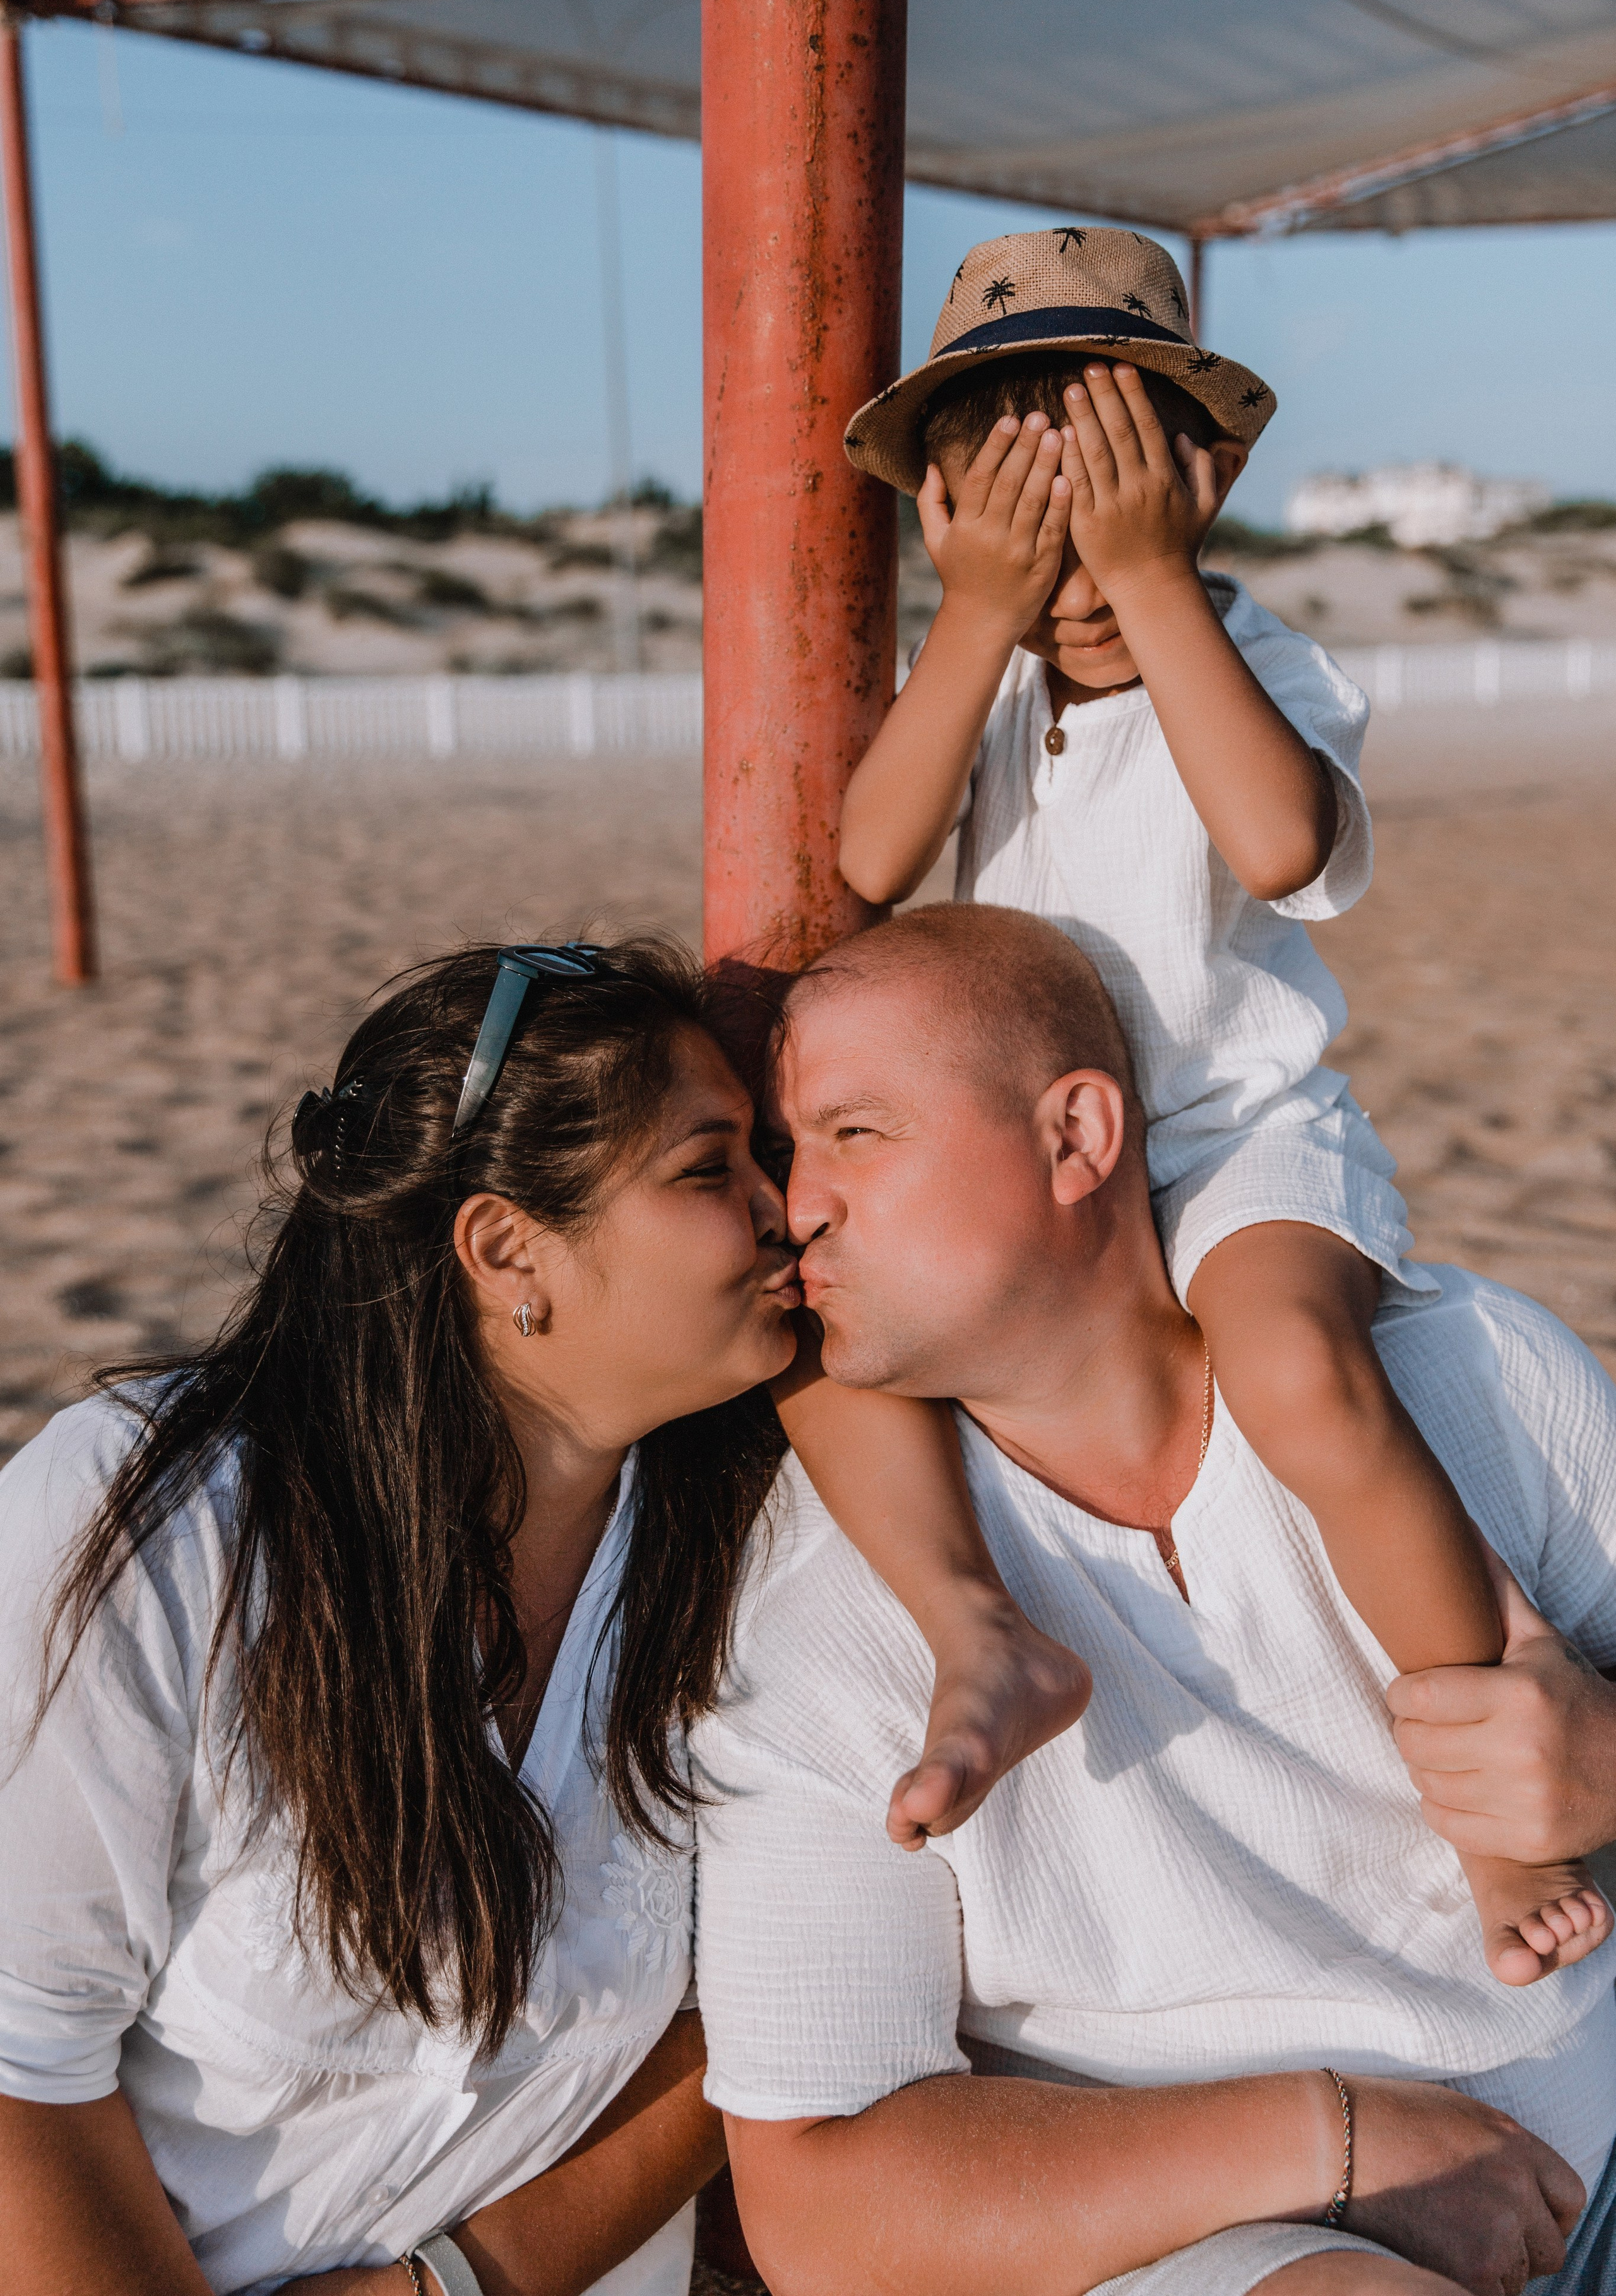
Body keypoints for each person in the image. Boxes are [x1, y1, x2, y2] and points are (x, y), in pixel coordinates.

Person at [763, 223, 1607, 1984]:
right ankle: (971, 1626)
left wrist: (1152, 582)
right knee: (817, 1349)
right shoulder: (977, 684)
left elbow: (1285, 842)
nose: (1069, 550)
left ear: (1199, 479)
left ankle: (1482, 1784)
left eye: (1114, 490)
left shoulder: (1255, 657)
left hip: (1235, 1140)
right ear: (947, 503)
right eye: (1019, 502)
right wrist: (982, 611)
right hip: (1031, 1159)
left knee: (1298, 1374)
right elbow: (865, 853)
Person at [691, 904, 1616, 2296]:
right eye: (778, 1154)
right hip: (1205, 2248)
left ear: (1076, 1136)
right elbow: (822, 2209)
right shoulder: (815, 1619)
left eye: (854, 1134)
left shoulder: (1466, 1381)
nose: (796, 1202)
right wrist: (1338, 2142)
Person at [0, 936, 800, 2296]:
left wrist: (442, 2290)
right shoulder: (155, 1521)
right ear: (505, 1250)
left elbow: (762, 2022)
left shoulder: (758, 1549)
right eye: (708, 1167)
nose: (783, 1208)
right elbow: (20, 2076)